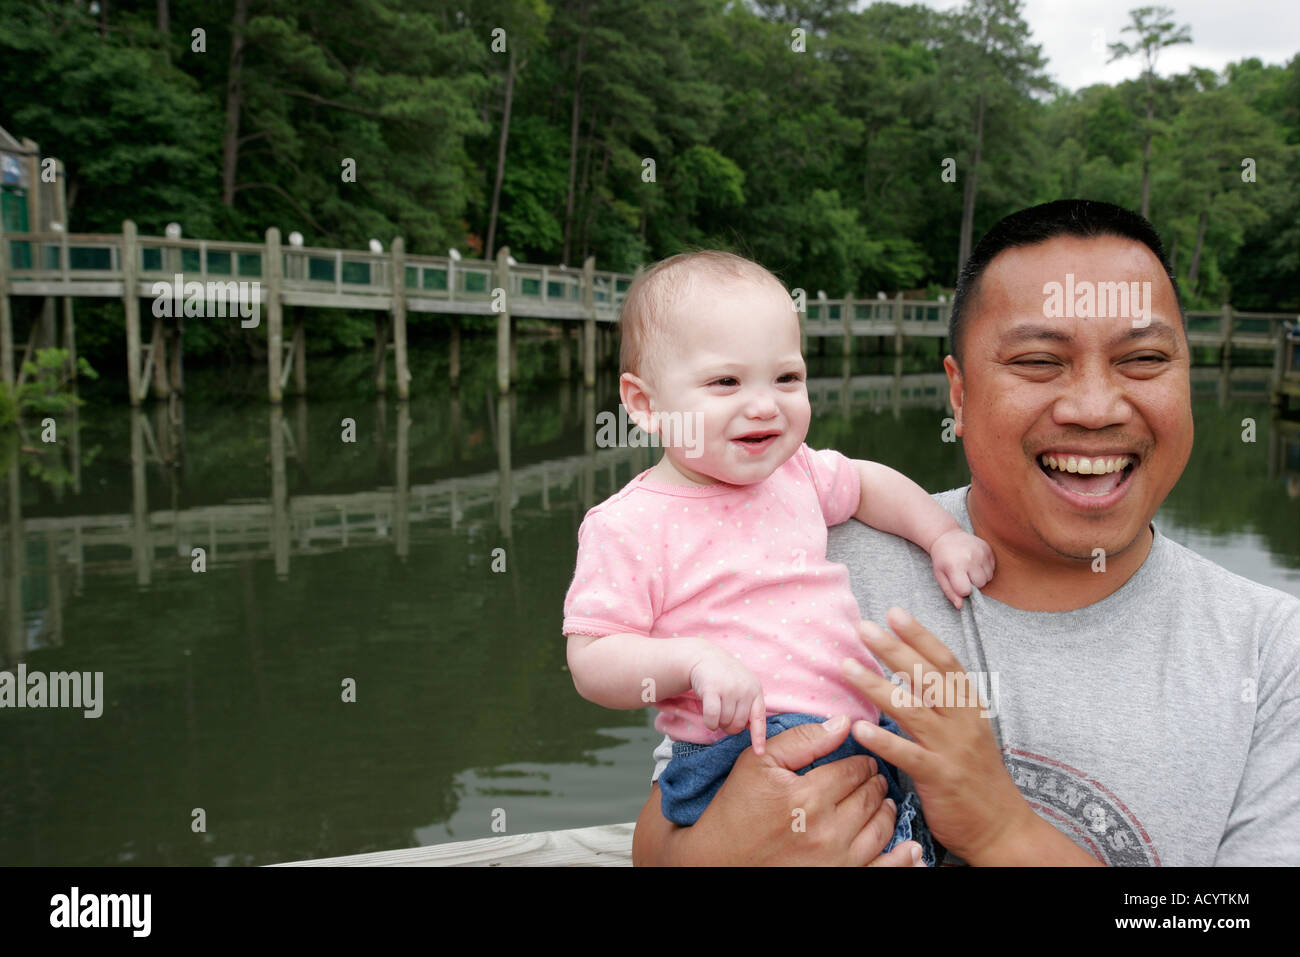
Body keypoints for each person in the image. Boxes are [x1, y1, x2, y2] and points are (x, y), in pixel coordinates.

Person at [631, 199, 1300, 866]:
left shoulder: (1272, 654)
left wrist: (999, 828)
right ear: (958, 392)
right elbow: (666, 831)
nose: (1095, 408)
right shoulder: (818, 564)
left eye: (1145, 358)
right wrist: (725, 850)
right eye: (1040, 361)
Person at [562, 251, 995, 866]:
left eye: (786, 379)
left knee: (926, 792)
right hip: (741, 749)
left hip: (856, 721)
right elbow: (592, 658)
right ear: (645, 404)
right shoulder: (630, 523)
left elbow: (869, 484)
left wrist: (941, 536)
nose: (764, 405)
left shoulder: (796, 473)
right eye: (725, 383)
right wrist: (691, 662)